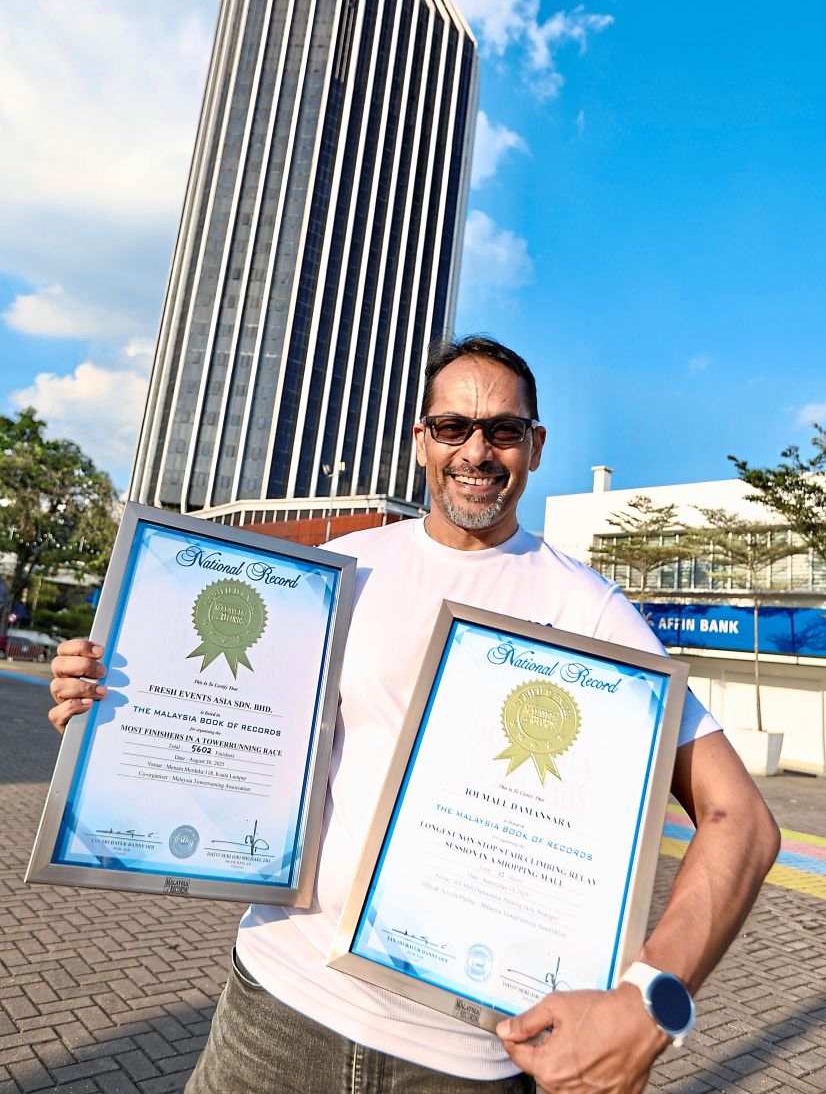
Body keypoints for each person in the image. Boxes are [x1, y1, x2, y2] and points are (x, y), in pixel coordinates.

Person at [49, 335, 780, 1094]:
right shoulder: (344, 571)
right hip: (278, 1007)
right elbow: (224, 716)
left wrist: (650, 1006)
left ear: (534, 446)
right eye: (452, 428)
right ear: (422, 441)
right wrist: (107, 704)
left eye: (502, 430)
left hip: (463, 1061)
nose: (477, 450)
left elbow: (743, 821)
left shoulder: (590, 611)